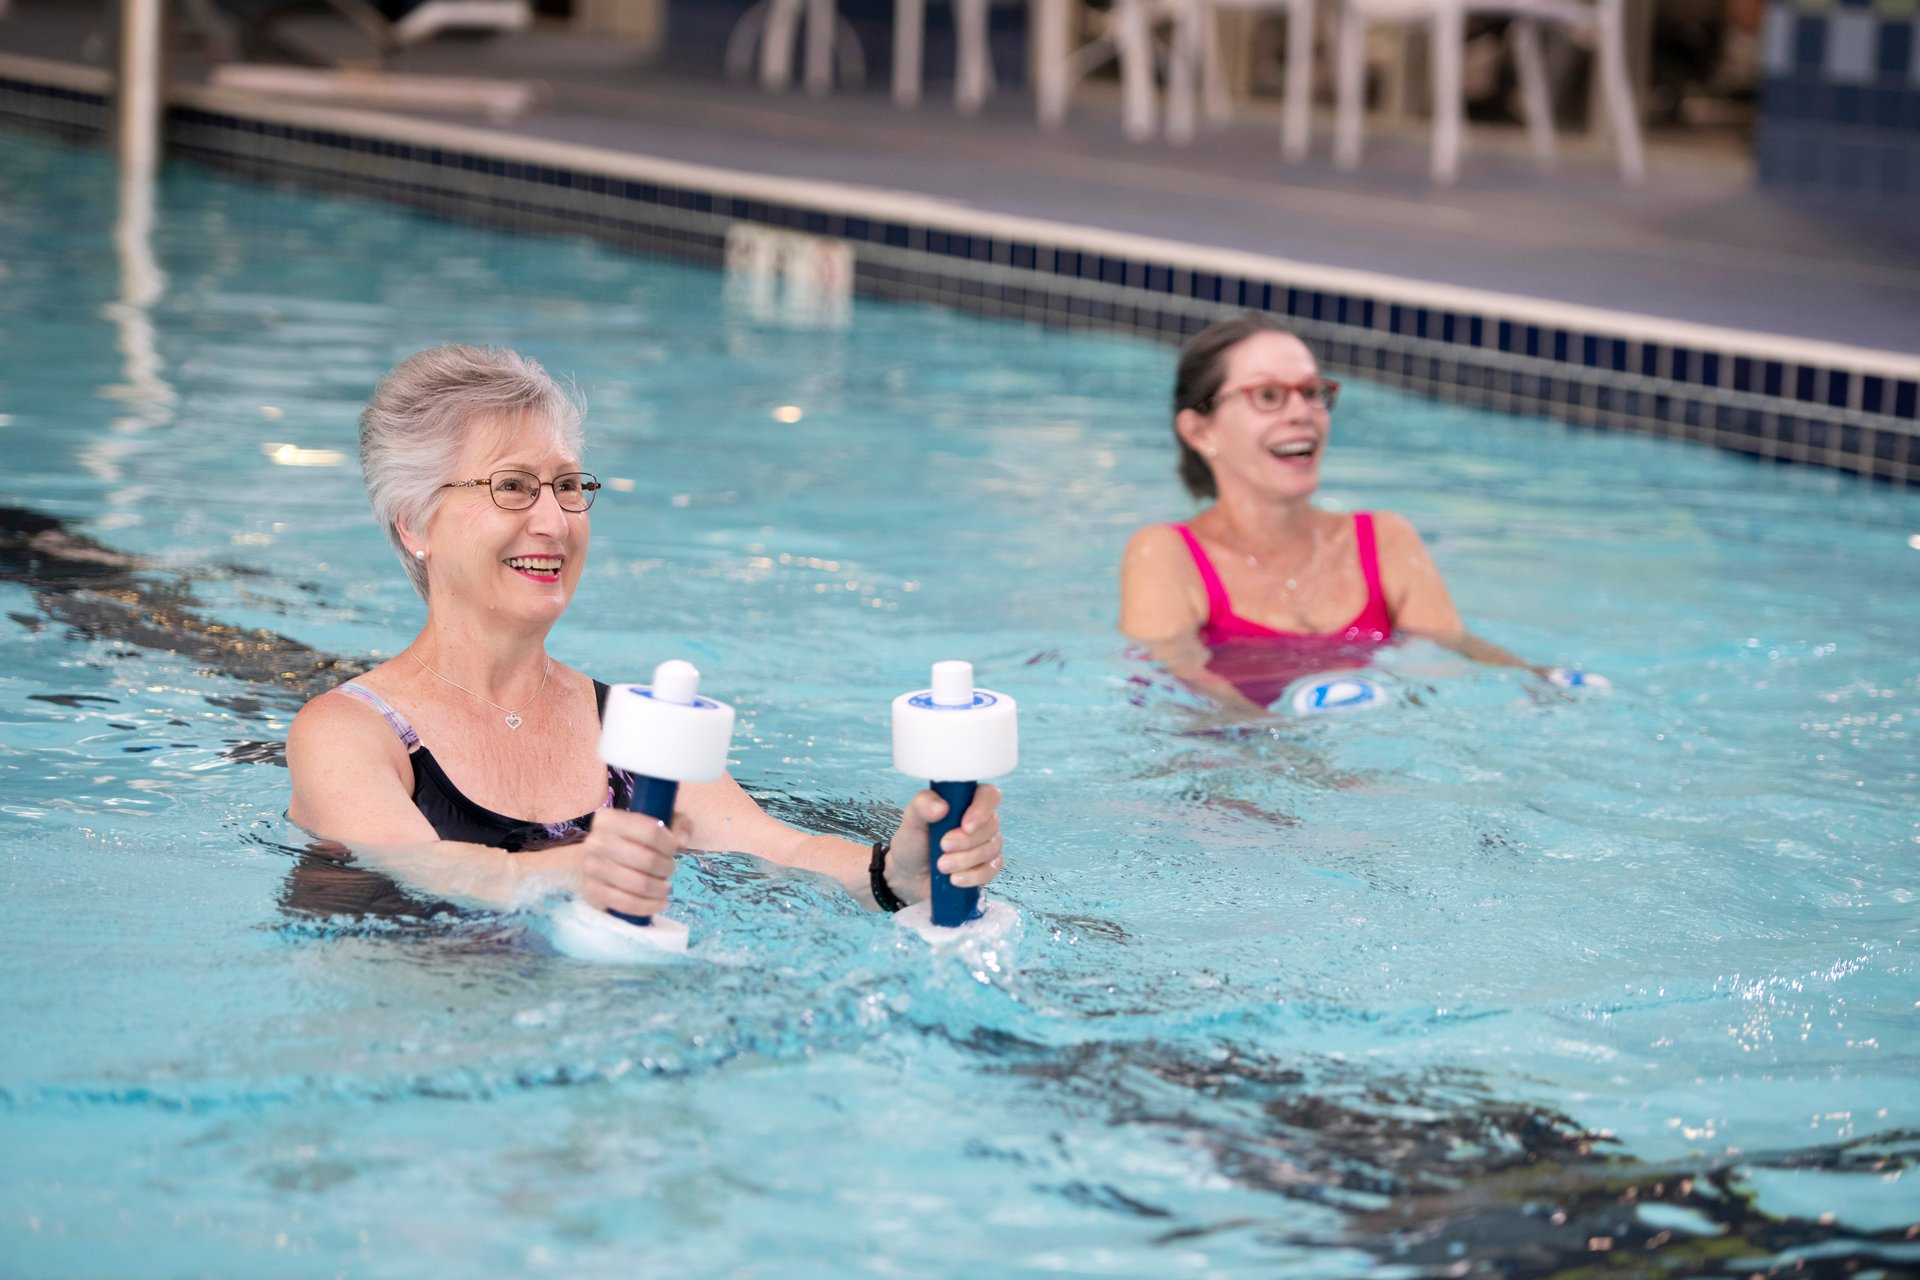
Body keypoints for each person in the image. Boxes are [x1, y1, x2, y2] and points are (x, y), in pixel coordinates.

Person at [286, 345, 1004, 919]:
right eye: (512, 486)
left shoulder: (630, 727)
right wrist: (572, 869)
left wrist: (893, 872)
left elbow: (778, 849)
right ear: (415, 523)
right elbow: (419, 865)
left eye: (568, 486)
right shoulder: (349, 734)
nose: (554, 520)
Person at [1119, 313, 1530, 713]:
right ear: (1199, 431)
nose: (1302, 413)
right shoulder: (1167, 554)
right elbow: (1183, 687)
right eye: (1268, 396)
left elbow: (1455, 651)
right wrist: (1304, 761)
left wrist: (1539, 680)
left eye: (1312, 392)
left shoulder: (1384, 540)